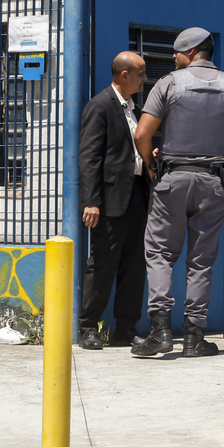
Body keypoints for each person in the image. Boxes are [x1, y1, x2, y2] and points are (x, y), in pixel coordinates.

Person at [131, 27, 224, 358]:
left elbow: (143, 134)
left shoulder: (170, 84)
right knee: (201, 263)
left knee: (159, 253)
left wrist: (151, 165)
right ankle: (193, 337)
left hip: (172, 180)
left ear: (191, 53)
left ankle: (160, 331)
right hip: (215, 185)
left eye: (176, 52)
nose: (173, 57)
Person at [77, 51, 150, 350]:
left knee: (135, 264)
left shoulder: (134, 108)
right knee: (103, 263)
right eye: (141, 73)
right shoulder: (100, 106)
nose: (146, 78)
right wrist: (91, 201)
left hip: (136, 195)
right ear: (124, 75)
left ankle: (126, 328)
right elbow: (89, 157)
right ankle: (88, 328)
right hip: (108, 199)